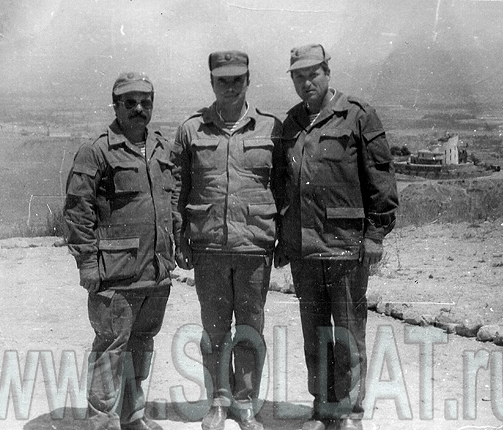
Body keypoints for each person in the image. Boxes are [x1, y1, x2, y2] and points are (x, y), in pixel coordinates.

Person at [276, 44, 399, 430]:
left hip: (346, 244)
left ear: (327, 72)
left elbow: (380, 179)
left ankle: (350, 412)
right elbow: (282, 185)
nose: (306, 82)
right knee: (315, 333)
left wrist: (375, 235)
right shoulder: (291, 123)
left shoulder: (357, 116)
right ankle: (323, 407)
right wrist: (282, 237)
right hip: (305, 247)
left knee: (348, 329)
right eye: (298, 76)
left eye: (312, 73)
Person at [171, 50, 283, 430]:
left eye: (237, 80)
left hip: (254, 244)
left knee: (250, 327)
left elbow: (282, 188)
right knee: (215, 329)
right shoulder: (192, 130)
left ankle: (245, 401)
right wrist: (180, 237)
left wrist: (281, 238)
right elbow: (179, 188)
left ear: (248, 80)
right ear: (212, 82)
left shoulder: (271, 128)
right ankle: (219, 400)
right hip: (209, 246)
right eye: (223, 80)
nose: (230, 87)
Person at [64, 72, 175, 430]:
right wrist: (87, 263)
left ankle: (132, 417)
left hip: (155, 270)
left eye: (146, 102)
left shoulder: (161, 148)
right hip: (115, 272)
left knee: (141, 346)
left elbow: (170, 201)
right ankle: (101, 421)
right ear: (116, 106)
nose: (139, 108)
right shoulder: (96, 151)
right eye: (130, 102)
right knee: (111, 348)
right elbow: (77, 210)